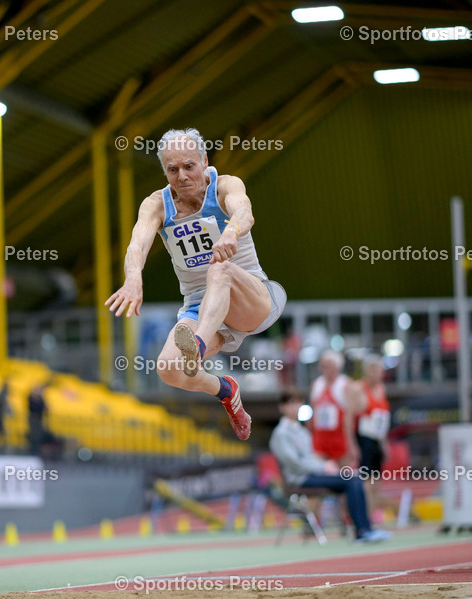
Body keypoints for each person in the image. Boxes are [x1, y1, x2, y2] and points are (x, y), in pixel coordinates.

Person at [106, 128, 287, 440]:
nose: (182, 177)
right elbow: (136, 246)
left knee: (220, 270)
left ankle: (198, 345)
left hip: (251, 299)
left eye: (189, 166)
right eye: (172, 170)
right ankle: (226, 389)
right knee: (168, 369)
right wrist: (133, 279)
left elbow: (244, 210)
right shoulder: (157, 205)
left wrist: (231, 232)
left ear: (204, 161)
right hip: (202, 308)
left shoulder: (225, 186)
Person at [269, 392, 391, 542]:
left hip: (312, 474)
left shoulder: (301, 431)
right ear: (283, 407)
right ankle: (361, 531)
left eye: (298, 402)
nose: (295, 407)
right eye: (291, 403)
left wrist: (326, 466)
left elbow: (310, 458)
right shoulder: (280, 434)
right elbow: (295, 463)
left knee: (354, 478)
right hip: (300, 479)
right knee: (351, 480)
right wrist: (323, 467)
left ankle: (366, 528)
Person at [347, 355, 391, 516]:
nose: (378, 373)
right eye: (374, 369)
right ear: (367, 370)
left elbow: (382, 418)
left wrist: (385, 443)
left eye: (380, 370)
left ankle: (371, 519)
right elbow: (348, 417)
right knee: (366, 482)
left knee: (376, 483)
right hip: (363, 439)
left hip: (376, 440)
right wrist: (351, 445)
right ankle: (362, 520)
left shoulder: (381, 388)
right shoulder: (357, 389)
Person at [308, 350, 355, 464]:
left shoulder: (345, 384)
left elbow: (349, 416)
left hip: (339, 438)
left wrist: (351, 442)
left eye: (328, 366)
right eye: (323, 366)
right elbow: (311, 412)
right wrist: (309, 434)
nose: (325, 370)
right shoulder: (317, 384)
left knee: (344, 474)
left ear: (337, 367)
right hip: (321, 439)